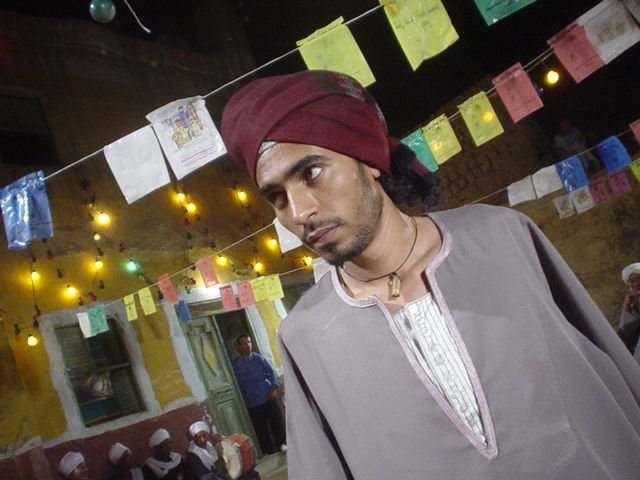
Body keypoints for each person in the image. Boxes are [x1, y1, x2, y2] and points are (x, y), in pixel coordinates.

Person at [220, 70, 640, 479]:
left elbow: (609, 384)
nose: (299, 212)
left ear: (368, 160)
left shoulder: (500, 235)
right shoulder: (305, 335)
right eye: (277, 197)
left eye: (311, 173)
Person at [231, 334, 285, 454]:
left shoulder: (259, 358)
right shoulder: (235, 364)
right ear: (238, 347)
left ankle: (283, 444)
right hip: (252, 402)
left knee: (277, 423)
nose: (248, 345)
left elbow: (271, 373)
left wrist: (273, 389)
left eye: (249, 342)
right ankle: (269, 452)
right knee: (261, 429)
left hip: (267, 397)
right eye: (244, 343)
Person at [185, 420, 261, 480]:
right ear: (194, 438)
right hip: (211, 478)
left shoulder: (208, 445)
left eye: (204, 435)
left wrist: (221, 440)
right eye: (198, 437)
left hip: (220, 474)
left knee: (252, 474)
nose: (202, 439)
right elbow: (204, 476)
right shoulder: (193, 454)